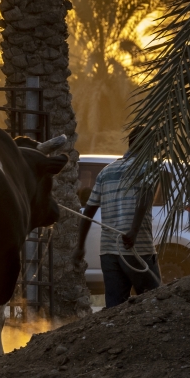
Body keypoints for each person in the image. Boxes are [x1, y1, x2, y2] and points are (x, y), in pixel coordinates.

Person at [73, 125, 161, 307]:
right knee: (155, 302)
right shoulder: (148, 167)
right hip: (138, 249)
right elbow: (144, 198)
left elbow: (88, 211)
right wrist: (134, 232)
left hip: (108, 252)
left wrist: (79, 247)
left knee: (115, 307)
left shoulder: (107, 171)